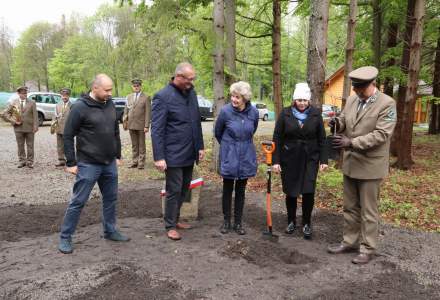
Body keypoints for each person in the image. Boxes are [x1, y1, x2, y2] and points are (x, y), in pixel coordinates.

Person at [327, 66, 396, 264]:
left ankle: (367, 248)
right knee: (350, 207)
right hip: (350, 163)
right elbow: (344, 120)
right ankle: (349, 241)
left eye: (360, 88)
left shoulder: (387, 104)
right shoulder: (352, 99)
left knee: (368, 210)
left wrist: (352, 143)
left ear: (371, 84)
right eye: (355, 88)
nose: (357, 92)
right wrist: (336, 124)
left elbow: (382, 135)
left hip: (370, 165)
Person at [58, 74, 129, 254]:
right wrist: (71, 162)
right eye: (107, 90)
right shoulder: (80, 107)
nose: (110, 93)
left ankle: (110, 230)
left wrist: (117, 154)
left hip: (109, 163)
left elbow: (115, 131)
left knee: (111, 198)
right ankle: (65, 237)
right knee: (78, 201)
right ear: (95, 88)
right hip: (88, 164)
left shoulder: (110, 104)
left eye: (111, 89)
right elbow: (67, 135)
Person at [151, 62, 204, 241]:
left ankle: (176, 217)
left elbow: (196, 121)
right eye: (189, 79)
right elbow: (157, 129)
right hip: (172, 153)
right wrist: (159, 157)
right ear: (178, 77)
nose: (191, 82)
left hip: (190, 152)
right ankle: (170, 225)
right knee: (174, 189)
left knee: (185, 187)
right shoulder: (162, 96)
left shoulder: (192, 93)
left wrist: (200, 147)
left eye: (193, 79)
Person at [272, 83, 328, 240]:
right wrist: (275, 161)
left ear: (309, 100)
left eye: (305, 100)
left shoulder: (316, 114)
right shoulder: (285, 114)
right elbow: (277, 137)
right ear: (294, 100)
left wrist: (323, 159)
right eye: (299, 100)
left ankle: (306, 223)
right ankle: (291, 221)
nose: (302, 103)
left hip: (310, 158)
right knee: (291, 191)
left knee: (308, 191)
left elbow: (322, 139)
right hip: (289, 158)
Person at [215, 81, 259, 235]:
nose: (234, 99)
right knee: (227, 189)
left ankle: (238, 223)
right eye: (232, 96)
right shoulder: (225, 112)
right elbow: (217, 132)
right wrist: (229, 147)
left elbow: (252, 131)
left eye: (237, 97)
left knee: (241, 190)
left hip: (246, 155)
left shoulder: (254, 112)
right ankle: (226, 221)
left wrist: (242, 146)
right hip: (230, 155)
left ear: (245, 99)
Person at [3, 86, 38, 168]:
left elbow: (35, 116)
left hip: (29, 128)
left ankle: (30, 162)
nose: (24, 94)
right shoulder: (14, 102)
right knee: (20, 145)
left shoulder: (32, 102)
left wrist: (36, 126)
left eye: (25, 93)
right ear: (18, 94)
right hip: (18, 128)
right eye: (22, 93)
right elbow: (5, 114)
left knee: (30, 145)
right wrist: (14, 121)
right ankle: (22, 161)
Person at [123, 79, 151, 169]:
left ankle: (141, 163)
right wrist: (124, 121)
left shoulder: (146, 97)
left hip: (141, 125)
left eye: (138, 86)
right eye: (134, 86)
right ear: (132, 87)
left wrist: (146, 125)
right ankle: (135, 161)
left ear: (140, 86)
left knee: (141, 144)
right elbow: (126, 110)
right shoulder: (129, 97)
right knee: (134, 144)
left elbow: (148, 113)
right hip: (131, 124)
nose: (136, 87)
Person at [53, 88, 72, 167]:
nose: (64, 97)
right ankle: (61, 160)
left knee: (68, 146)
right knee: (60, 145)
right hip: (59, 128)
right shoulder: (58, 105)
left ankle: (70, 161)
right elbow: (54, 116)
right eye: (63, 95)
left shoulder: (73, 106)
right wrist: (53, 124)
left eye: (66, 95)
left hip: (68, 129)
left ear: (69, 96)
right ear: (61, 96)